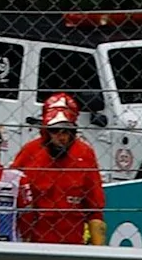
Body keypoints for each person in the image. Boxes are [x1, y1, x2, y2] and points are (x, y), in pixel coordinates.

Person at [12, 92, 106, 244]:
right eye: (55, 131)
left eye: (66, 131)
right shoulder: (29, 153)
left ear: (73, 131)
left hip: (72, 242)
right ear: (46, 131)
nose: (61, 136)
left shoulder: (85, 154)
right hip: (35, 243)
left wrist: (98, 250)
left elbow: (95, 209)